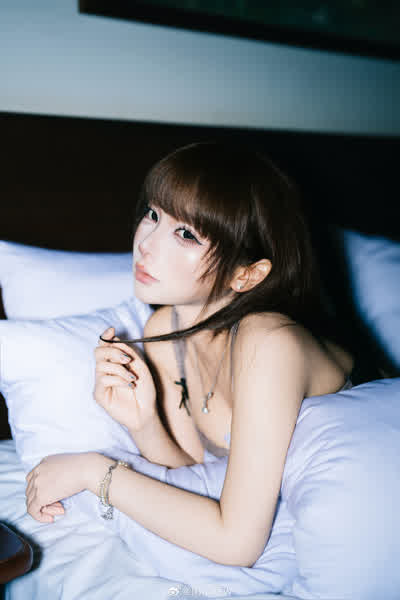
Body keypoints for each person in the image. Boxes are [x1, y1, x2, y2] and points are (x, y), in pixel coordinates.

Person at [25, 141, 357, 568]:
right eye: (153, 214)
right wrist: (143, 422)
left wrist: (93, 472)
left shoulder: (268, 341)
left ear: (247, 274)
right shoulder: (165, 330)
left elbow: (236, 544)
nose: (146, 243)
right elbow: (194, 474)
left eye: (186, 234)